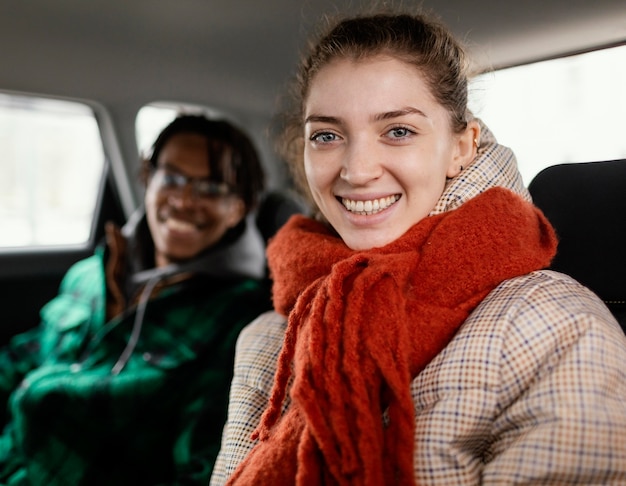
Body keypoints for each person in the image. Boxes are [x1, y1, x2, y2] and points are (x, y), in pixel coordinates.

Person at [210, 10, 626, 485]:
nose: (358, 169)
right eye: (327, 136)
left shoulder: (553, 324)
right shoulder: (271, 334)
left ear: (461, 146)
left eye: (399, 131)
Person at [0, 114, 273, 485]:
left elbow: (201, 461)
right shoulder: (92, 273)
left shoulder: (239, 318)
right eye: (173, 178)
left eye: (211, 188)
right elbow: (24, 357)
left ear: (237, 209)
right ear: (148, 178)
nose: (183, 200)